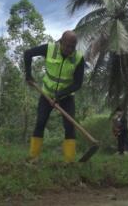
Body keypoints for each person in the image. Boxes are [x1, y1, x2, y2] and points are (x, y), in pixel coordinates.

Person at [24, 30, 84, 162]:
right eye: (67, 46)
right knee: (40, 122)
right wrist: (28, 75)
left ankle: (69, 161)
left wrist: (61, 94)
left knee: (69, 126)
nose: (70, 50)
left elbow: (78, 84)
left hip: (66, 96)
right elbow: (27, 54)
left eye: (73, 47)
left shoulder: (78, 58)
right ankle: (33, 157)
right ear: (61, 42)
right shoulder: (49, 49)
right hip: (46, 94)